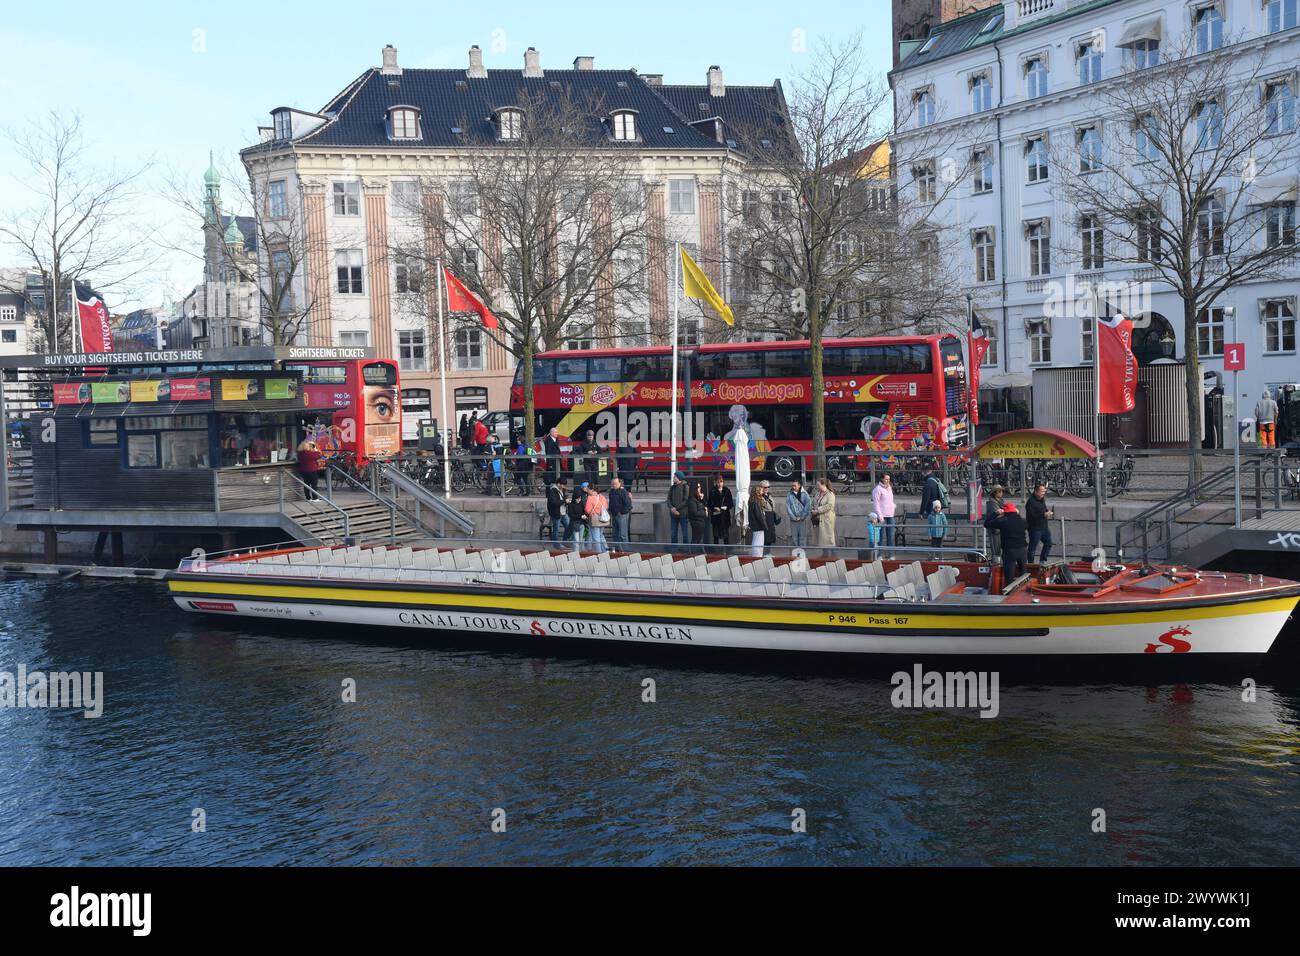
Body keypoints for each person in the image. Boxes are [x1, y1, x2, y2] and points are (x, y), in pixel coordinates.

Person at [985, 500, 1029, 585]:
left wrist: (995, 514)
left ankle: (1010, 594)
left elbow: (986, 524)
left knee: (1009, 576)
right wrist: (1018, 514)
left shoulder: (1003, 521)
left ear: (1005, 512)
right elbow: (1026, 525)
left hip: (1009, 551)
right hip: (1022, 549)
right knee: (1024, 574)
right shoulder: (1022, 521)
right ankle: (1024, 592)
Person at [1026, 482, 1054, 564]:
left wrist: (1047, 511)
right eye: (1042, 491)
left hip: (1044, 527)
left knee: (1048, 543)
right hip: (1035, 528)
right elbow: (1031, 516)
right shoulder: (1030, 502)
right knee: (1033, 547)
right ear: (1036, 491)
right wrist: (1043, 514)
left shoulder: (1042, 499)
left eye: (1044, 491)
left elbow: (1043, 508)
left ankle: (1042, 560)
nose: (1043, 493)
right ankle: (1031, 563)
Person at [871, 473, 897, 552]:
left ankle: (891, 554)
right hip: (882, 516)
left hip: (890, 515)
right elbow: (876, 504)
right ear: (882, 479)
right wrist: (880, 517)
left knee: (891, 536)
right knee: (881, 537)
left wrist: (893, 507)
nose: (888, 481)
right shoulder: (877, 489)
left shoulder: (889, 488)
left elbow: (891, 501)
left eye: (889, 479)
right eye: (886, 479)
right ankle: (879, 555)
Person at [811, 477, 837, 554]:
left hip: (827, 519)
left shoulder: (830, 494)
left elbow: (829, 505)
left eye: (818, 485)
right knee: (821, 538)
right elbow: (813, 502)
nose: (817, 487)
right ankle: (824, 554)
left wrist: (818, 510)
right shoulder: (818, 494)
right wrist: (812, 509)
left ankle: (833, 554)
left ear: (824, 485)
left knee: (829, 537)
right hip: (818, 518)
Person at [708, 474, 734, 549]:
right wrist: (714, 508)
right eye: (718, 482)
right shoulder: (712, 491)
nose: (720, 483)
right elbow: (709, 503)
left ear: (723, 482)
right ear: (716, 482)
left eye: (721, 482)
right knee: (715, 535)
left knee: (726, 535)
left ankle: (727, 550)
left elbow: (731, 503)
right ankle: (716, 551)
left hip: (725, 516)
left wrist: (726, 507)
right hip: (716, 515)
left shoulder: (727, 490)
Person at [584, 484, 610, 554]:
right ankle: (605, 552)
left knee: (596, 538)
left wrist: (593, 512)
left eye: (588, 489)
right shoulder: (602, 497)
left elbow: (587, 509)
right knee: (601, 536)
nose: (587, 491)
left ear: (592, 490)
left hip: (595, 520)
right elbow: (606, 506)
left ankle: (599, 553)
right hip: (603, 519)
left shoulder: (590, 498)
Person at [786, 480, 812, 549]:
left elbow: (808, 507)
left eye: (795, 485)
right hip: (793, 519)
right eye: (793, 485)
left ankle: (802, 554)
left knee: (802, 538)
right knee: (794, 538)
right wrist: (793, 517)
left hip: (802, 520)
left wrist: (802, 517)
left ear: (799, 485)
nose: (793, 487)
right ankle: (795, 553)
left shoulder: (805, 494)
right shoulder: (789, 494)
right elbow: (788, 507)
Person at [983, 484, 1006, 560]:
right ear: (994, 493)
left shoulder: (1001, 501)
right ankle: (996, 561)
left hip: (1001, 528)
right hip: (994, 529)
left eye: (1001, 491)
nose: (1001, 493)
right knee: (996, 547)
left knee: (1000, 546)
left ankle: (998, 560)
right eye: (999, 491)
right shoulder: (992, 503)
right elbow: (995, 515)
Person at [608, 477, 633, 548]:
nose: (613, 485)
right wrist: (610, 511)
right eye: (612, 484)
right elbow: (611, 503)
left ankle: (626, 550)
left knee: (623, 534)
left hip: (622, 515)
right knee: (615, 534)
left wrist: (621, 512)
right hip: (614, 514)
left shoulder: (623, 492)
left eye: (615, 484)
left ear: (620, 483)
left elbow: (628, 505)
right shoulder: (611, 491)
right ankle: (617, 549)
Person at [667, 472, 690, 547]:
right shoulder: (672, 487)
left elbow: (686, 500)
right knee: (673, 533)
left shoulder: (685, 486)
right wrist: (672, 508)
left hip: (683, 514)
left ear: (679, 478)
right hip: (673, 514)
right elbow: (668, 499)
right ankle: (674, 549)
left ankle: (686, 550)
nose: (673, 478)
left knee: (685, 533)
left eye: (675, 476)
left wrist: (676, 508)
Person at [546, 477, 570, 544]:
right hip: (556, 513)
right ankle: (555, 543)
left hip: (563, 512)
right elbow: (554, 503)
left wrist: (566, 500)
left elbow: (563, 499)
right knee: (556, 529)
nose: (564, 486)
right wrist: (564, 501)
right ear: (559, 484)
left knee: (568, 526)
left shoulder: (562, 490)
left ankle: (564, 541)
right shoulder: (552, 491)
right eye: (563, 485)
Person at [687, 481, 710, 551]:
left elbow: (703, 505)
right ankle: (693, 552)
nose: (700, 488)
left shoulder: (697, 498)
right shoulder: (691, 500)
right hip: (696, 522)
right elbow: (694, 512)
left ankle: (694, 551)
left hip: (700, 522)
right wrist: (704, 513)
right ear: (695, 489)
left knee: (697, 538)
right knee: (696, 539)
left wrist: (702, 499)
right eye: (698, 487)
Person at [568, 481, 589, 551]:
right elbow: (571, 515)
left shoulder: (581, 503)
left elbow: (585, 511)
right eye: (577, 499)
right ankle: (575, 553)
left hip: (582, 524)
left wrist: (586, 515)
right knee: (576, 541)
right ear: (574, 498)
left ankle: (581, 553)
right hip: (575, 524)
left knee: (581, 540)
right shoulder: (571, 505)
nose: (579, 500)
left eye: (580, 498)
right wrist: (580, 516)